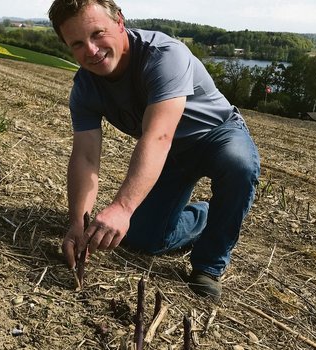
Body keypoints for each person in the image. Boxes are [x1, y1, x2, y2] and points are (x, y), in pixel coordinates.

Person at [49, 0, 260, 300]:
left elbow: (158, 136)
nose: (91, 50)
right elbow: (85, 156)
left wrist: (122, 208)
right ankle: (208, 215)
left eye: (98, 34)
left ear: (120, 22)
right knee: (143, 238)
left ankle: (209, 265)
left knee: (239, 165)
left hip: (216, 135)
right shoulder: (85, 87)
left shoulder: (163, 55)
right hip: (171, 155)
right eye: (78, 43)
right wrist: (77, 223)